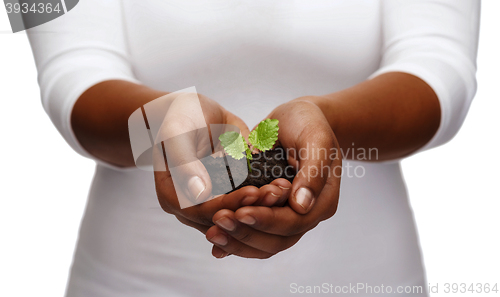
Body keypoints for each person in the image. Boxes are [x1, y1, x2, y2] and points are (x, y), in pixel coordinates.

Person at [27, 0, 480, 296]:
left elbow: (444, 69)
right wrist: (163, 122)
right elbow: (68, 78)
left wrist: (332, 126)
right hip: (129, 283)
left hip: (366, 280)